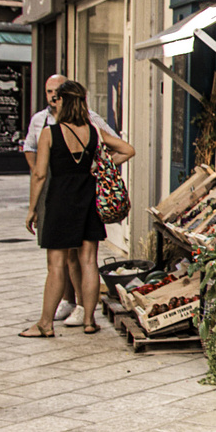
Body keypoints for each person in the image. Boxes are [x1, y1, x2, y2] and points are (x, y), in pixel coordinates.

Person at [21, 80, 135, 337]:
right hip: (88, 200)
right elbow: (127, 150)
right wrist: (100, 167)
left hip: (60, 202)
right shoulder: (93, 131)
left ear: (62, 101)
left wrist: (31, 209)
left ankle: (45, 324)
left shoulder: (50, 133)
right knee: (88, 262)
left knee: (56, 265)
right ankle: (89, 321)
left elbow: (39, 175)